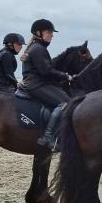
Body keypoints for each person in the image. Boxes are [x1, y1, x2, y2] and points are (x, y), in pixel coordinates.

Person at [21, 19, 73, 151]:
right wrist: (65, 76)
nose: (51, 35)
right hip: (37, 84)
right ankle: (48, 136)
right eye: (49, 32)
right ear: (38, 33)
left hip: (35, 83)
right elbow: (46, 71)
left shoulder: (36, 47)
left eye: (52, 33)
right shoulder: (38, 49)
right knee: (66, 103)